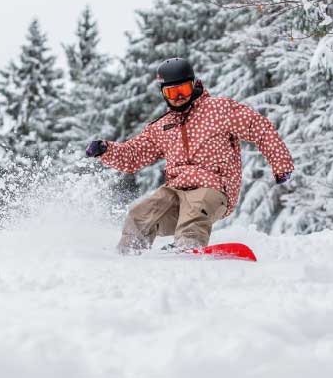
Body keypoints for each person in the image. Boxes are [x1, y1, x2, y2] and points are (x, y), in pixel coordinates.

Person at [85, 57, 294, 254]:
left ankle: (187, 249)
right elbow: (134, 155)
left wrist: (281, 164)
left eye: (183, 90)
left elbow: (259, 128)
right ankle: (128, 253)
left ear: (193, 85)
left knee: (195, 212)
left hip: (214, 187)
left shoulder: (219, 110)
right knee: (140, 214)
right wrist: (107, 149)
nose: (179, 97)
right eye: (172, 92)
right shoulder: (162, 127)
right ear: (163, 93)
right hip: (176, 191)